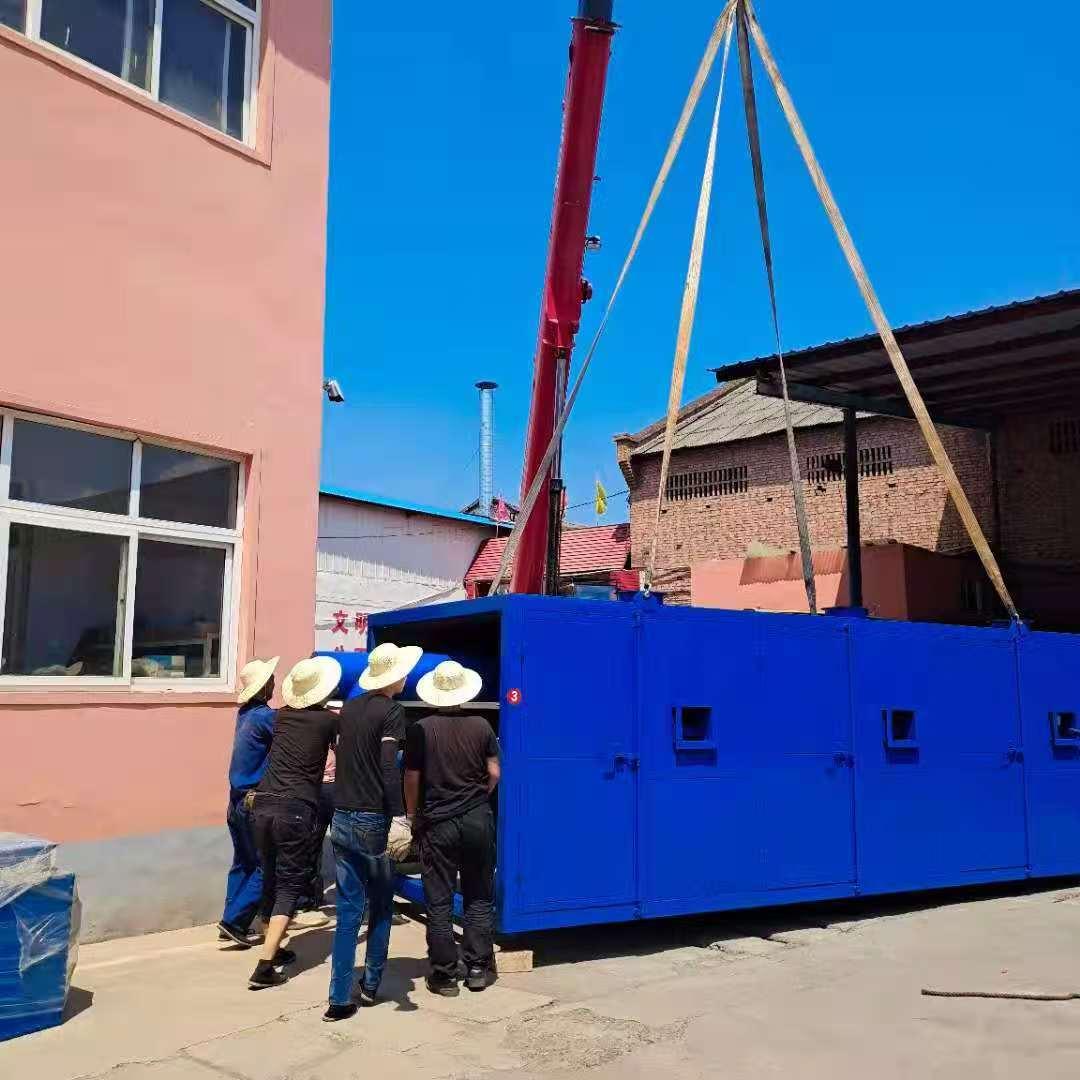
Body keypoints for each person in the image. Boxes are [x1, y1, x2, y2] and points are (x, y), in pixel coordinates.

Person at [323, 642, 423, 1022]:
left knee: (349, 909)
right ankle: (370, 985)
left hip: (341, 816)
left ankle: (338, 997)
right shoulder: (392, 711)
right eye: (403, 673)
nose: (406, 678)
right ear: (393, 677)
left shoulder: (349, 709)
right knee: (381, 905)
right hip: (372, 820)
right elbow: (387, 765)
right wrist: (400, 815)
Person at [404, 660, 500, 996]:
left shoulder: (420, 729)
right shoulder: (482, 726)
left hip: (438, 822)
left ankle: (444, 975)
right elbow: (494, 772)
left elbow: (412, 777)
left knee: (439, 898)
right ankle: (477, 968)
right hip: (478, 819)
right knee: (478, 894)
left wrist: (412, 814)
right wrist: (478, 797)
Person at [248, 655, 341, 990]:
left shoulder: (281, 716)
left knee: (270, 874)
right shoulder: (328, 721)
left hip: (263, 803)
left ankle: (274, 945)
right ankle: (264, 966)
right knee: (290, 884)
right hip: (295, 808)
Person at [218, 656, 279, 948]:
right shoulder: (266, 717)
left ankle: (230, 918)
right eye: (271, 679)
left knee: (242, 862)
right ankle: (234, 921)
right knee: (264, 864)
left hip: (236, 799)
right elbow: (290, 734)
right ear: (264, 687)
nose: (275, 682)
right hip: (254, 800)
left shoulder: (245, 714)